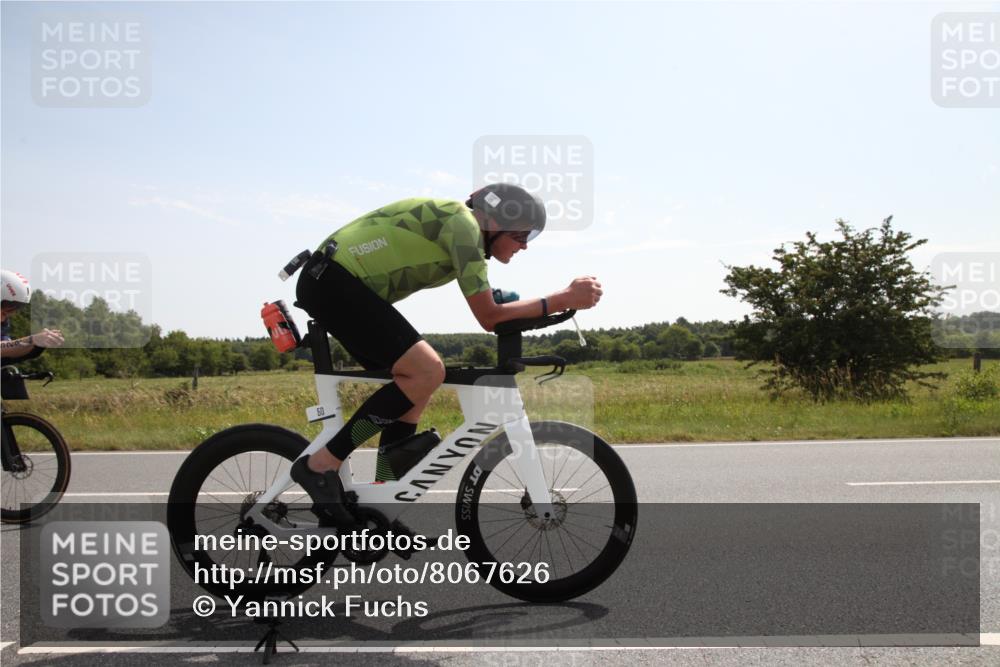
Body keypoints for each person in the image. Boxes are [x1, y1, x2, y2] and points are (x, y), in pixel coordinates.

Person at [290, 183, 602, 526]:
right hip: (332, 280)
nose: (525, 245)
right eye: (522, 234)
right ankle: (320, 465)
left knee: (414, 386)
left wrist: (551, 305)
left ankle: (383, 496)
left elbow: (494, 306)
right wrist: (562, 298)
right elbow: (489, 315)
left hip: (336, 283)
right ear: (496, 223)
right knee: (426, 371)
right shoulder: (464, 226)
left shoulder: (464, 230)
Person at [1, 269, 64, 363]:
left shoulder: (4, 322)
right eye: (5, 310)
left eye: (14, 310)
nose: (3, 318)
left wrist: (37, 345)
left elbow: (7, 350)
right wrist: (31, 340)